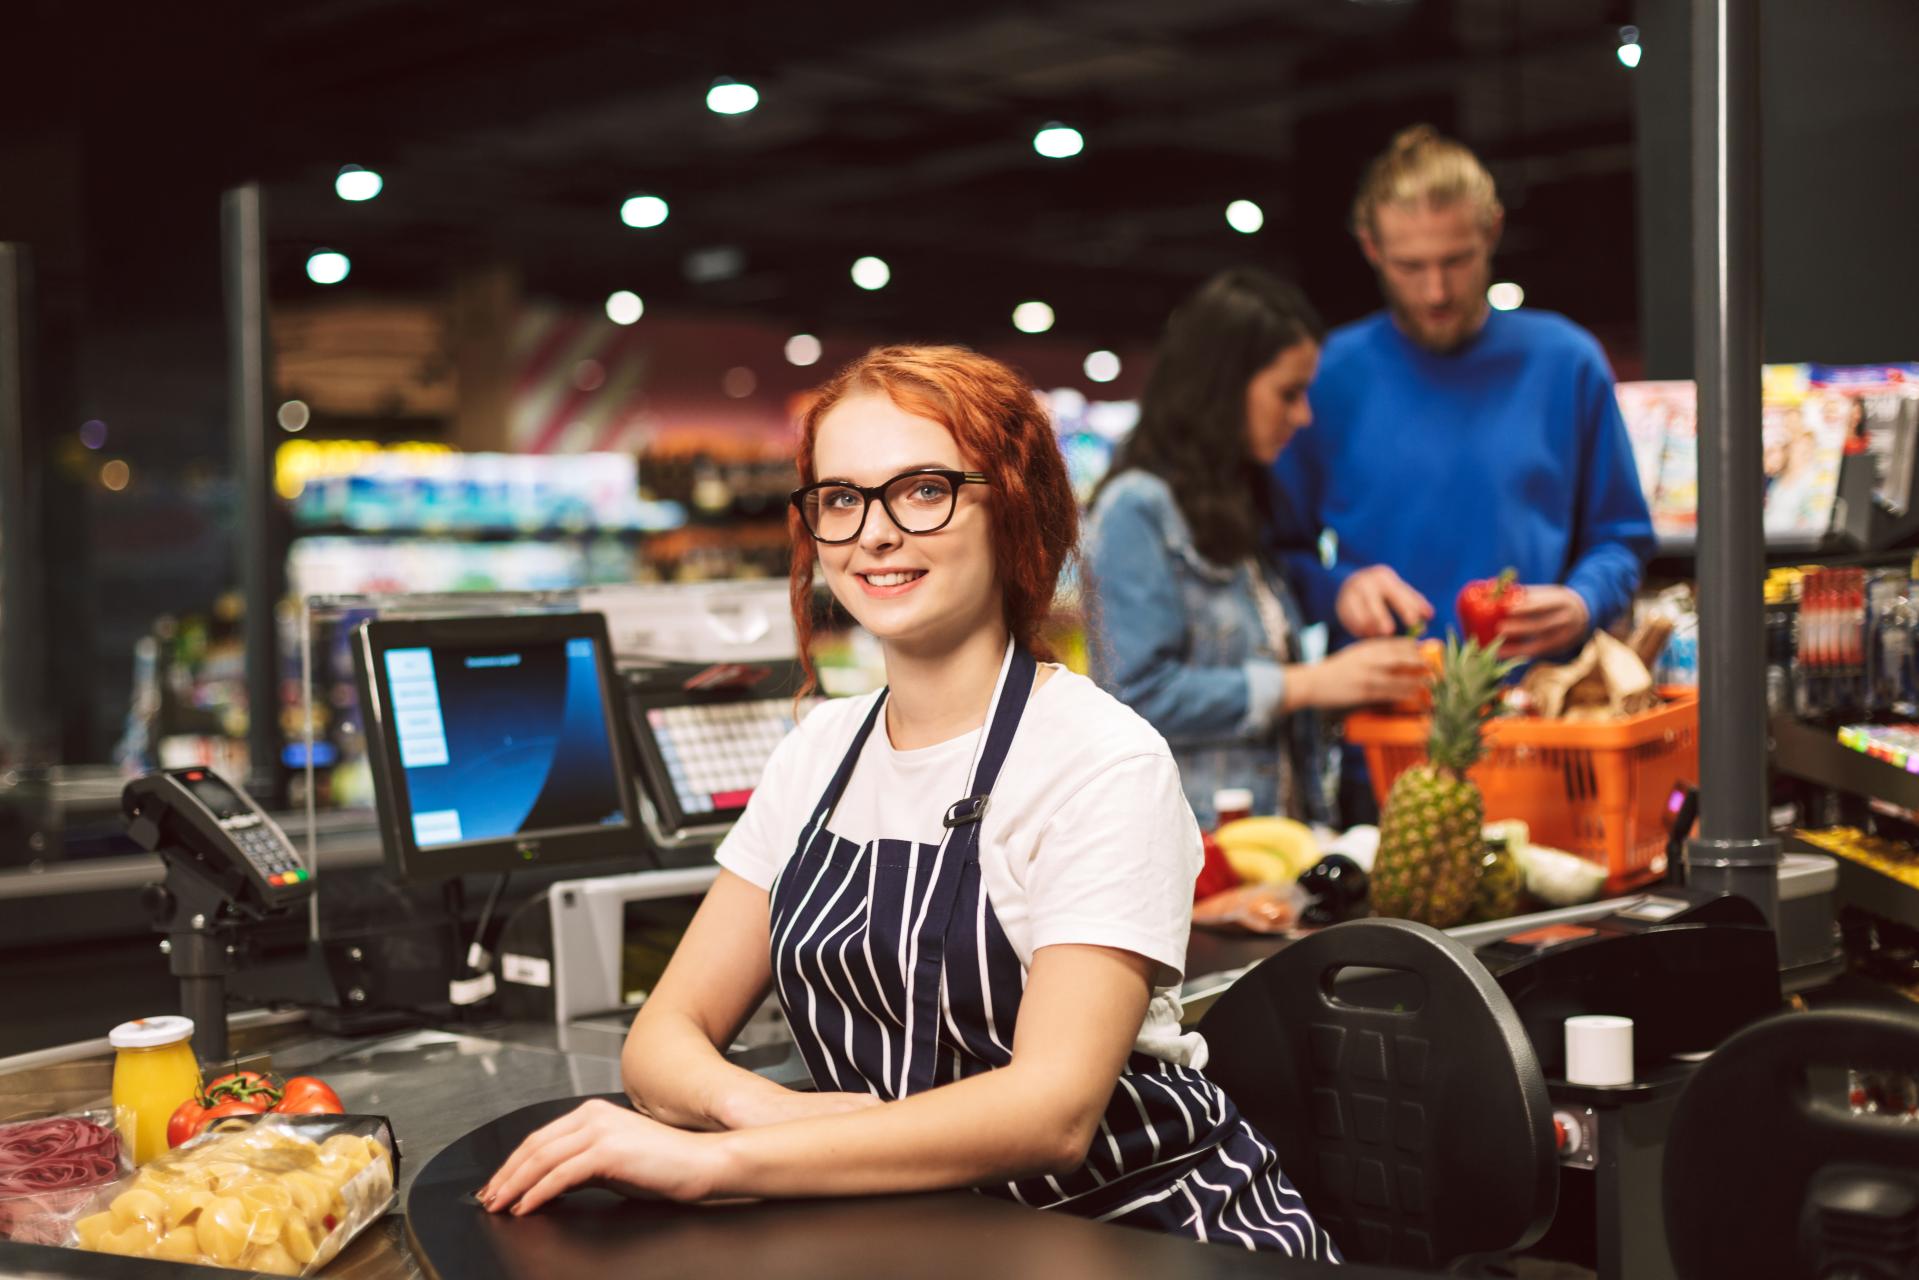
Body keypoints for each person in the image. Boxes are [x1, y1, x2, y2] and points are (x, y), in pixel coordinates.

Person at [479, 346, 1341, 1259]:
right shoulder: (818, 752)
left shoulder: (1101, 759)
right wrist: (757, 1109)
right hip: (912, 1228)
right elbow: (665, 1035)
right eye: (841, 498)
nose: (872, 534)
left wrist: (717, 1163)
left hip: (1141, 1234)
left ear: (1014, 508)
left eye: (921, 489)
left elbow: (1050, 1114)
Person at [1273, 124, 1655, 662]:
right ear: (1371, 248)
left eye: (1457, 260)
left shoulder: (1566, 362)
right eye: (1411, 266)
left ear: (1493, 231)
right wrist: (1340, 590)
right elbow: (1273, 556)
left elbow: (1621, 536)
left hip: (1540, 715)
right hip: (1384, 717)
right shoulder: (1327, 374)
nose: (1436, 291)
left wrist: (1583, 600)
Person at [1086, 268, 1427, 828]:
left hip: (1278, 843)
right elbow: (1136, 698)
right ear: (1223, 385)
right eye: (1288, 393)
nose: (1303, 416)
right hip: (1200, 858)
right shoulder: (1136, 508)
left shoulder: (1242, 500)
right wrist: (1309, 684)